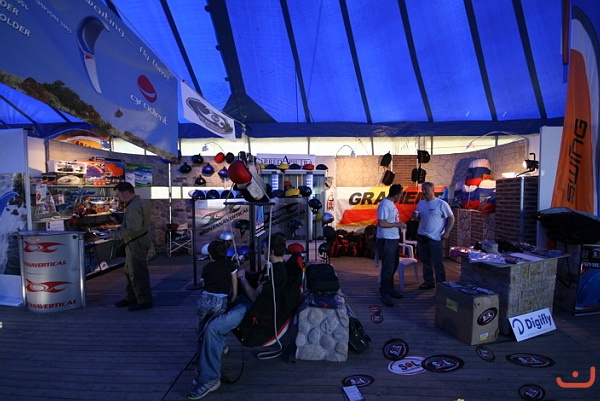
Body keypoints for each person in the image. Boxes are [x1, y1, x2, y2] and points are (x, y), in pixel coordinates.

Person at [187, 233, 289, 400]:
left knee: (213, 328)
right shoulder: (272, 266)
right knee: (215, 315)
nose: (262, 250)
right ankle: (216, 349)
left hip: (253, 310)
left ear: (270, 250)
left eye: (264, 248)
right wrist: (245, 274)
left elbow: (255, 297)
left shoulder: (276, 273)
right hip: (248, 303)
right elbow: (257, 280)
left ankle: (210, 379)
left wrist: (242, 279)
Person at [111, 182, 153, 311]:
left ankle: (143, 300)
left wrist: (113, 235)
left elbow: (133, 229)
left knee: (137, 271)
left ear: (126, 193)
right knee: (130, 271)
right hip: (138, 240)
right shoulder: (138, 202)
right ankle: (131, 297)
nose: (118, 198)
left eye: (118, 195)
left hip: (136, 241)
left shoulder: (133, 207)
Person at [414, 181, 455, 290]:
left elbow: (451, 218)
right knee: (425, 262)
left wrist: (447, 232)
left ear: (433, 190)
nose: (424, 191)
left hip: (435, 238)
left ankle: (442, 285)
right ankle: (429, 282)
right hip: (422, 236)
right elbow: (419, 219)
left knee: (437, 262)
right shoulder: (421, 204)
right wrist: (416, 217)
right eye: (422, 189)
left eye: (426, 189)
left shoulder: (441, 204)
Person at [196, 240, 238, 342]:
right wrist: (234, 296)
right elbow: (234, 281)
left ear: (210, 255)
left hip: (204, 299)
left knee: (201, 323)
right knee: (216, 326)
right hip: (220, 300)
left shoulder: (206, 267)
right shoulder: (229, 264)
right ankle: (220, 345)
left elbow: (204, 284)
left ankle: (201, 340)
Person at [376, 184, 406, 307]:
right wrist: (398, 225)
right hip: (386, 239)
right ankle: (384, 292)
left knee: (393, 266)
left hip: (393, 239)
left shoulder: (391, 204)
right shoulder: (385, 204)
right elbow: (382, 223)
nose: (401, 197)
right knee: (388, 267)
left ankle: (390, 288)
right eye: (401, 195)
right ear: (396, 195)